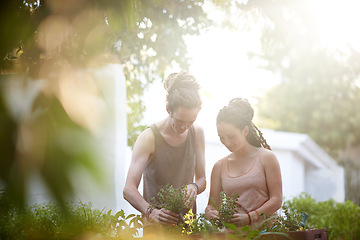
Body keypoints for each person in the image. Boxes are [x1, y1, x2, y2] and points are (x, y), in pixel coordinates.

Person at [123, 71, 206, 227]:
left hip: (187, 227)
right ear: (168, 109)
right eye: (180, 120)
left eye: (191, 121)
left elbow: (202, 180)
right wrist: (152, 212)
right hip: (155, 228)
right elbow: (128, 189)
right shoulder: (149, 138)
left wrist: (193, 186)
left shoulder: (198, 133)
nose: (185, 127)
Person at [205, 98, 282, 229]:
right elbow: (212, 205)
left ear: (245, 131)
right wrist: (210, 213)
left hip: (265, 235)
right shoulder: (219, 166)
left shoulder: (266, 158)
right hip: (233, 235)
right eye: (221, 137)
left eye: (231, 136)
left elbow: (276, 199)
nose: (227, 143)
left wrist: (250, 217)